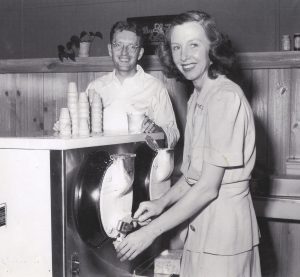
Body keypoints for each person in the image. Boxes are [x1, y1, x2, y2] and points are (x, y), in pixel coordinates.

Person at [115, 10, 261, 277]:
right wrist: (161, 204)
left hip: (225, 238)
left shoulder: (225, 97)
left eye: (194, 44)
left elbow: (207, 188)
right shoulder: (198, 96)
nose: (184, 56)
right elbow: (194, 176)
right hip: (201, 229)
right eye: (176, 47)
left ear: (212, 48)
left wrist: (151, 232)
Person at [86, 21, 179, 148]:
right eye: (118, 45)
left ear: (140, 53)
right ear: (110, 49)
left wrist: (159, 131)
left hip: (141, 163)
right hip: (101, 160)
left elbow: (174, 134)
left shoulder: (156, 87)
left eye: (132, 46)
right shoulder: (95, 87)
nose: (124, 52)